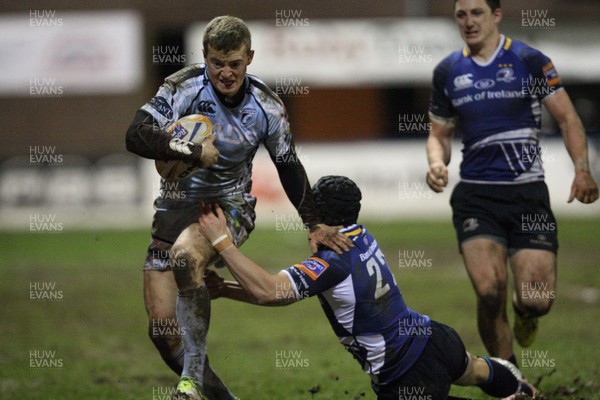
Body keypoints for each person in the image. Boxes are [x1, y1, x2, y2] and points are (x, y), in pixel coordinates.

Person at [126, 15, 351, 400]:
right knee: (163, 331)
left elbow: (288, 165)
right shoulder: (182, 87)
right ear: (204, 57)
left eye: (234, 64)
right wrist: (194, 151)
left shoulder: (267, 106)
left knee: (185, 257)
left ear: (249, 58)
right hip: (173, 208)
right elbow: (136, 135)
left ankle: (190, 384)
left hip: (229, 209)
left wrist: (313, 223)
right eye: (217, 63)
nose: (225, 73)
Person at [198, 175, 537, 400]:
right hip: (435, 337)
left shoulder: (333, 261)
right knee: (475, 370)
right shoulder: (360, 236)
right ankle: (520, 388)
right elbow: (281, 295)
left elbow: (269, 291)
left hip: (405, 374)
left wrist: (223, 242)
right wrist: (226, 289)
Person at [425, 0, 599, 368]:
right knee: (489, 292)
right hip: (476, 196)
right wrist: (436, 162)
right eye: (461, 15)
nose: (468, 22)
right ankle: (509, 379)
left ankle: (525, 315)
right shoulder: (448, 71)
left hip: (527, 195)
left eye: (477, 13)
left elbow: (568, 119)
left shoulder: (528, 60)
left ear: (496, 15)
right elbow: (439, 133)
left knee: (537, 299)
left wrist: (582, 169)